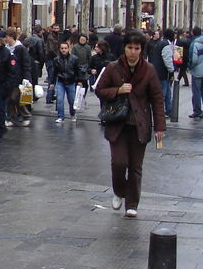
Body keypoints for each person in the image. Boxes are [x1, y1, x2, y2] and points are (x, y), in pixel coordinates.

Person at [95, 29, 165, 218]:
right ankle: (119, 191)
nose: (133, 52)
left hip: (139, 124)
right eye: (129, 48)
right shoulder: (113, 67)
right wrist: (117, 90)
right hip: (117, 122)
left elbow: (157, 98)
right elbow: (99, 90)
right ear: (124, 48)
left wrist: (160, 127)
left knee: (135, 166)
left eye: (136, 48)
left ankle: (132, 203)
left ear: (141, 49)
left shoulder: (149, 70)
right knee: (119, 162)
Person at [48, 41, 87, 124]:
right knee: (59, 99)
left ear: (68, 49)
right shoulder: (56, 60)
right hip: (61, 81)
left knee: (72, 100)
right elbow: (54, 72)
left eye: (65, 48)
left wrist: (80, 81)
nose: (63, 50)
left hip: (71, 82)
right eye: (62, 48)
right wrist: (52, 83)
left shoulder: (74, 59)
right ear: (59, 49)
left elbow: (78, 70)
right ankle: (61, 116)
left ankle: (73, 114)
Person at [4, 29, 33, 126]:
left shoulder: (20, 48)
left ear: (11, 37)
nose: (5, 39)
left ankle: (25, 115)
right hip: (9, 78)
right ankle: (12, 118)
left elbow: (26, 64)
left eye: (7, 37)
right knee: (10, 98)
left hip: (18, 78)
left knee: (14, 98)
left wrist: (26, 77)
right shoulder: (7, 48)